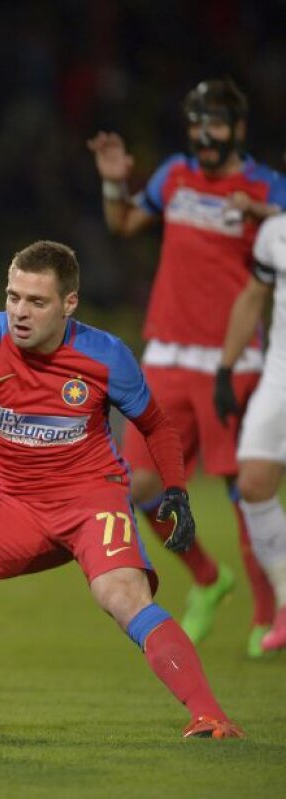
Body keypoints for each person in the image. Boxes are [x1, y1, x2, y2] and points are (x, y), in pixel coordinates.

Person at [0, 240, 243, 739]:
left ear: (69, 304)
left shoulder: (105, 355)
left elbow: (156, 426)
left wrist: (175, 489)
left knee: (122, 596)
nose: (19, 313)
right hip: (16, 504)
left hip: (93, 501)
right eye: (13, 297)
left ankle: (210, 715)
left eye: (36, 301)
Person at [87, 77, 286, 657]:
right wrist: (112, 179)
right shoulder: (174, 175)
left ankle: (266, 614)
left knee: (244, 489)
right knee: (140, 482)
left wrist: (266, 212)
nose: (204, 134)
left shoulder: (265, 185)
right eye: (197, 122)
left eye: (216, 122)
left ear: (239, 129)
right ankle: (205, 576)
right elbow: (122, 224)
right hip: (166, 353)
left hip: (232, 357)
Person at [216, 212, 286, 651]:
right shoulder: (275, 230)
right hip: (280, 375)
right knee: (253, 482)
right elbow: (254, 295)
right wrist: (226, 366)